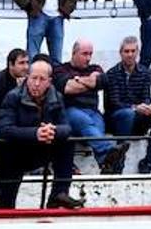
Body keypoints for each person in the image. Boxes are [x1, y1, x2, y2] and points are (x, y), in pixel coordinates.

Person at [0, 57, 81, 209]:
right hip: (13, 154)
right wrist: (36, 133)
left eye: (42, 79)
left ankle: (59, 193)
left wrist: (53, 130)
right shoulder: (13, 96)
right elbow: (5, 129)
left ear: (49, 81)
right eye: (33, 78)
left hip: (40, 149)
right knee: (7, 203)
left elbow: (66, 127)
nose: (37, 83)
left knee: (67, 142)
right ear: (27, 77)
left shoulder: (56, 97)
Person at [54, 39, 128, 175]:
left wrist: (77, 80)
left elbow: (101, 81)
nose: (88, 58)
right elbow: (67, 88)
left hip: (93, 112)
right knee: (85, 121)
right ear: (74, 53)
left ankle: (106, 165)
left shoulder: (95, 68)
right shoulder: (61, 69)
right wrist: (90, 82)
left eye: (90, 54)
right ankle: (108, 153)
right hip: (71, 111)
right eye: (84, 54)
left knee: (95, 126)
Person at [104, 36, 151, 174]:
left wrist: (146, 107)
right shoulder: (111, 74)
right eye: (126, 51)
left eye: (133, 51)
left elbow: (146, 97)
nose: (130, 54)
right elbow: (114, 103)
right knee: (127, 113)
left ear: (137, 52)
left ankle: (149, 161)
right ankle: (119, 162)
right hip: (117, 119)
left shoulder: (144, 73)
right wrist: (134, 107)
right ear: (120, 53)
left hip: (137, 116)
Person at [0, 49, 30, 173]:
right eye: (21, 63)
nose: (25, 67)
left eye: (27, 62)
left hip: (19, 119)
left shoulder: (30, 81)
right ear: (11, 64)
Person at [11, 0, 78, 64]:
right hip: (38, 15)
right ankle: (33, 76)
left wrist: (66, 9)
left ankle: (57, 77)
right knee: (32, 55)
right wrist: (29, 6)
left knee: (56, 58)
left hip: (58, 16)